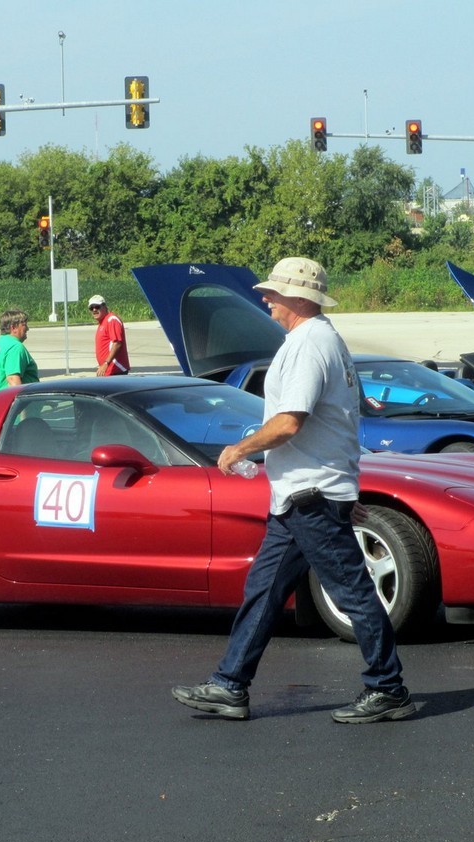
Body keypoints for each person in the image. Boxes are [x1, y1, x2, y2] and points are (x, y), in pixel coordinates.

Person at [171, 257, 414, 724]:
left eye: (274, 292)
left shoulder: (308, 344)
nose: (266, 299)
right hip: (305, 495)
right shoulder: (322, 340)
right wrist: (344, 489)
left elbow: (289, 422)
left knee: (353, 592)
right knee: (264, 590)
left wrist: (238, 449)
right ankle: (229, 685)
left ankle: (388, 688)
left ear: (299, 299)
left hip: (311, 496)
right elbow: (339, 423)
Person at [0, 309, 39, 393]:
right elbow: (13, 381)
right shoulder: (15, 347)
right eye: (24, 325)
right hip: (7, 399)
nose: (28, 329)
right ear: (13, 327)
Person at [87, 295, 130, 376]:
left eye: (97, 306)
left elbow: (117, 343)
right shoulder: (103, 322)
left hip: (116, 370)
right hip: (107, 371)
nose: (94, 310)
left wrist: (106, 363)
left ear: (104, 306)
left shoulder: (112, 319)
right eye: (91, 308)